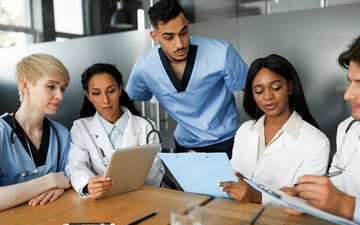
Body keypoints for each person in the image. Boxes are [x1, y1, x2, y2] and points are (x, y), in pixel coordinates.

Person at [125, 0, 248, 158]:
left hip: (228, 140)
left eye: (183, 33)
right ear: (155, 37)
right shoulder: (144, 66)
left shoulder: (221, 53)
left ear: (188, 25)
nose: (179, 44)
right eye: (169, 38)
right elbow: (127, 101)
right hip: (185, 145)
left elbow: (253, 90)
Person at [218, 54, 330, 206]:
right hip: (238, 215)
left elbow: (305, 199)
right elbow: (233, 178)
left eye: (276, 88)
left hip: (282, 224)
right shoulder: (245, 130)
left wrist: (258, 196)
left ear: (290, 87)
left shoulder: (316, 141)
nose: (268, 96)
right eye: (259, 91)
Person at [282, 35, 360, 224]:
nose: (348, 95)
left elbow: (344, 202)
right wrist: (309, 196)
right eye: (350, 82)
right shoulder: (347, 128)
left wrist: (347, 206)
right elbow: (341, 176)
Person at [66, 63, 165, 199]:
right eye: (96, 93)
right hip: (103, 200)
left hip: (141, 198)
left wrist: (139, 167)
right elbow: (76, 165)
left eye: (111, 91)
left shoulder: (146, 126)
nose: (105, 100)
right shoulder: (80, 128)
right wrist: (89, 184)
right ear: (88, 96)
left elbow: (158, 173)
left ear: (119, 89)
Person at [0, 53, 71, 210]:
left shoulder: (61, 134)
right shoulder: (1, 132)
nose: (59, 96)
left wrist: (61, 185)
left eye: (63, 89)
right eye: (51, 86)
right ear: (25, 86)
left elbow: (69, 179)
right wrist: (48, 181)